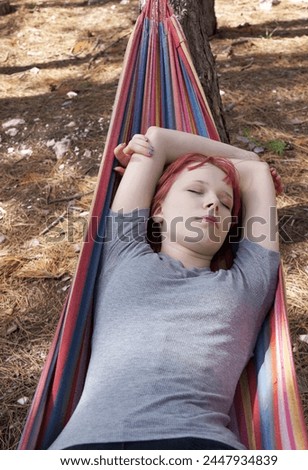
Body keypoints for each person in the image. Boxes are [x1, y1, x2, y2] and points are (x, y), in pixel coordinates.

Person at [49, 126, 282, 450]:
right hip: (90, 447)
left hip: (203, 446)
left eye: (226, 203)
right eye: (195, 191)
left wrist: (249, 165)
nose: (213, 203)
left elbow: (257, 176)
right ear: (156, 211)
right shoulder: (123, 252)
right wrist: (238, 159)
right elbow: (157, 140)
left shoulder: (248, 283)